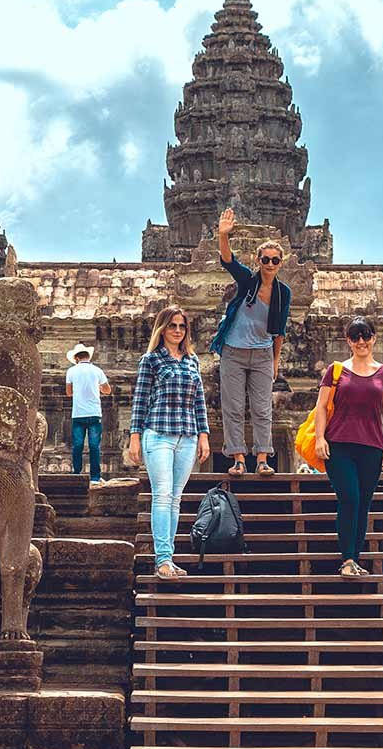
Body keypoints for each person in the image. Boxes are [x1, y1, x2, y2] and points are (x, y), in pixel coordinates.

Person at [126, 306, 211, 580]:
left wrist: (204, 435)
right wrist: (134, 437)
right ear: (162, 329)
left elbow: (199, 401)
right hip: (158, 433)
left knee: (175, 499)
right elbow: (140, 400)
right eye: (172, 325)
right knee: (162, 495)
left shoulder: (192, 361)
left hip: (187, 436)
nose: (177, 330)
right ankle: (162, 559)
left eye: (182, 326)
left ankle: (169, 558)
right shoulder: (151, 360)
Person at [312, 316, 383, 578]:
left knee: (363, 503)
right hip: (338, 444)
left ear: (373, 338)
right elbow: (321, 407)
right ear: (348, 341)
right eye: (355, 337)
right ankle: (347, 558)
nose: (361, 341)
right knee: (349, 497)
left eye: (366, 336)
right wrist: (319, 438)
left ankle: (355, 558)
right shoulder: (336, 370)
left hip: (372, 445)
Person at [210, 207, 290, 477]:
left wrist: (276, 361)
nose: (269, 264)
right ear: (258, 261)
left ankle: (263, 458)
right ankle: (239, 459)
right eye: (265, 260)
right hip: (233, 351)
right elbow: (228, 260)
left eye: (275, 261)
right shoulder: (247, 281)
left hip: (263, 354)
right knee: (232, 406)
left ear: (281, 263)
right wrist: (223, 235)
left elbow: (279, 330)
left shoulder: (283, 292)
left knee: (261, 408)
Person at [63, 342, 111, 482]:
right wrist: (99, 389)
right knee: (94, 446)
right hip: (95, 413)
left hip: (78, 414)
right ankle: (95, 476)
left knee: (77, 445)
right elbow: (107, 390)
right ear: (88, 357)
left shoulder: (71, 371)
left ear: (76, 358)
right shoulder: (97, 370)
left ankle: (77, 472)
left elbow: (68, 392)